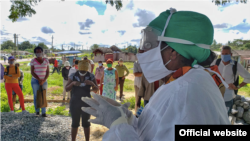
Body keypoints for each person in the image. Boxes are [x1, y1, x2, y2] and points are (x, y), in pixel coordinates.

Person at [81, 8, 230, 141]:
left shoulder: (189, 91)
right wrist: (128, 119)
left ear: (173, 53)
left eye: (150, 45)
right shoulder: (182, 81)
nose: (142, 52)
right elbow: (156, 129)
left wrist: (118, 126)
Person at [66, 60, 99, 141]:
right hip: (75, 102)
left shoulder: (91, 76)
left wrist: (92, 84)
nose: (82, 72)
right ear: (78, 69)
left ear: (87, 69)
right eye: (81, 71)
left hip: (87, 102)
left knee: (86, 123)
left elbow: (96, 89)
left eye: (84, 71)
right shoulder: (73, 76)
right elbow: (66, 89)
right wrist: (72, 83)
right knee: (74, 123)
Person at [212, 46, 250, 115]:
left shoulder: (236, 65)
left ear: (231, 54)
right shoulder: (215, 62)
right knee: (214, 115)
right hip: (214, 95)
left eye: (226, 54)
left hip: (227, 95)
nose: (224, 55)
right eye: (222, 53)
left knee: (225, 115)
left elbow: (248, 77)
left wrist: (237, 86)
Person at [31, 46, 50, 117]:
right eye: (37, 52)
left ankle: (44, 112)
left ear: (42, 52)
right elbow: (32, 72)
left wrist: (44, 80)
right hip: (35, 81)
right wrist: (39, 79)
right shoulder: (33, 61)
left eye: (40, 51)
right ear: (35, 53)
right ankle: (37, 111)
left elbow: (48, 72)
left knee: (43, 95)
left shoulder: (46, 60)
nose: (38, 53)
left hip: (44, 81)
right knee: (36, 96)